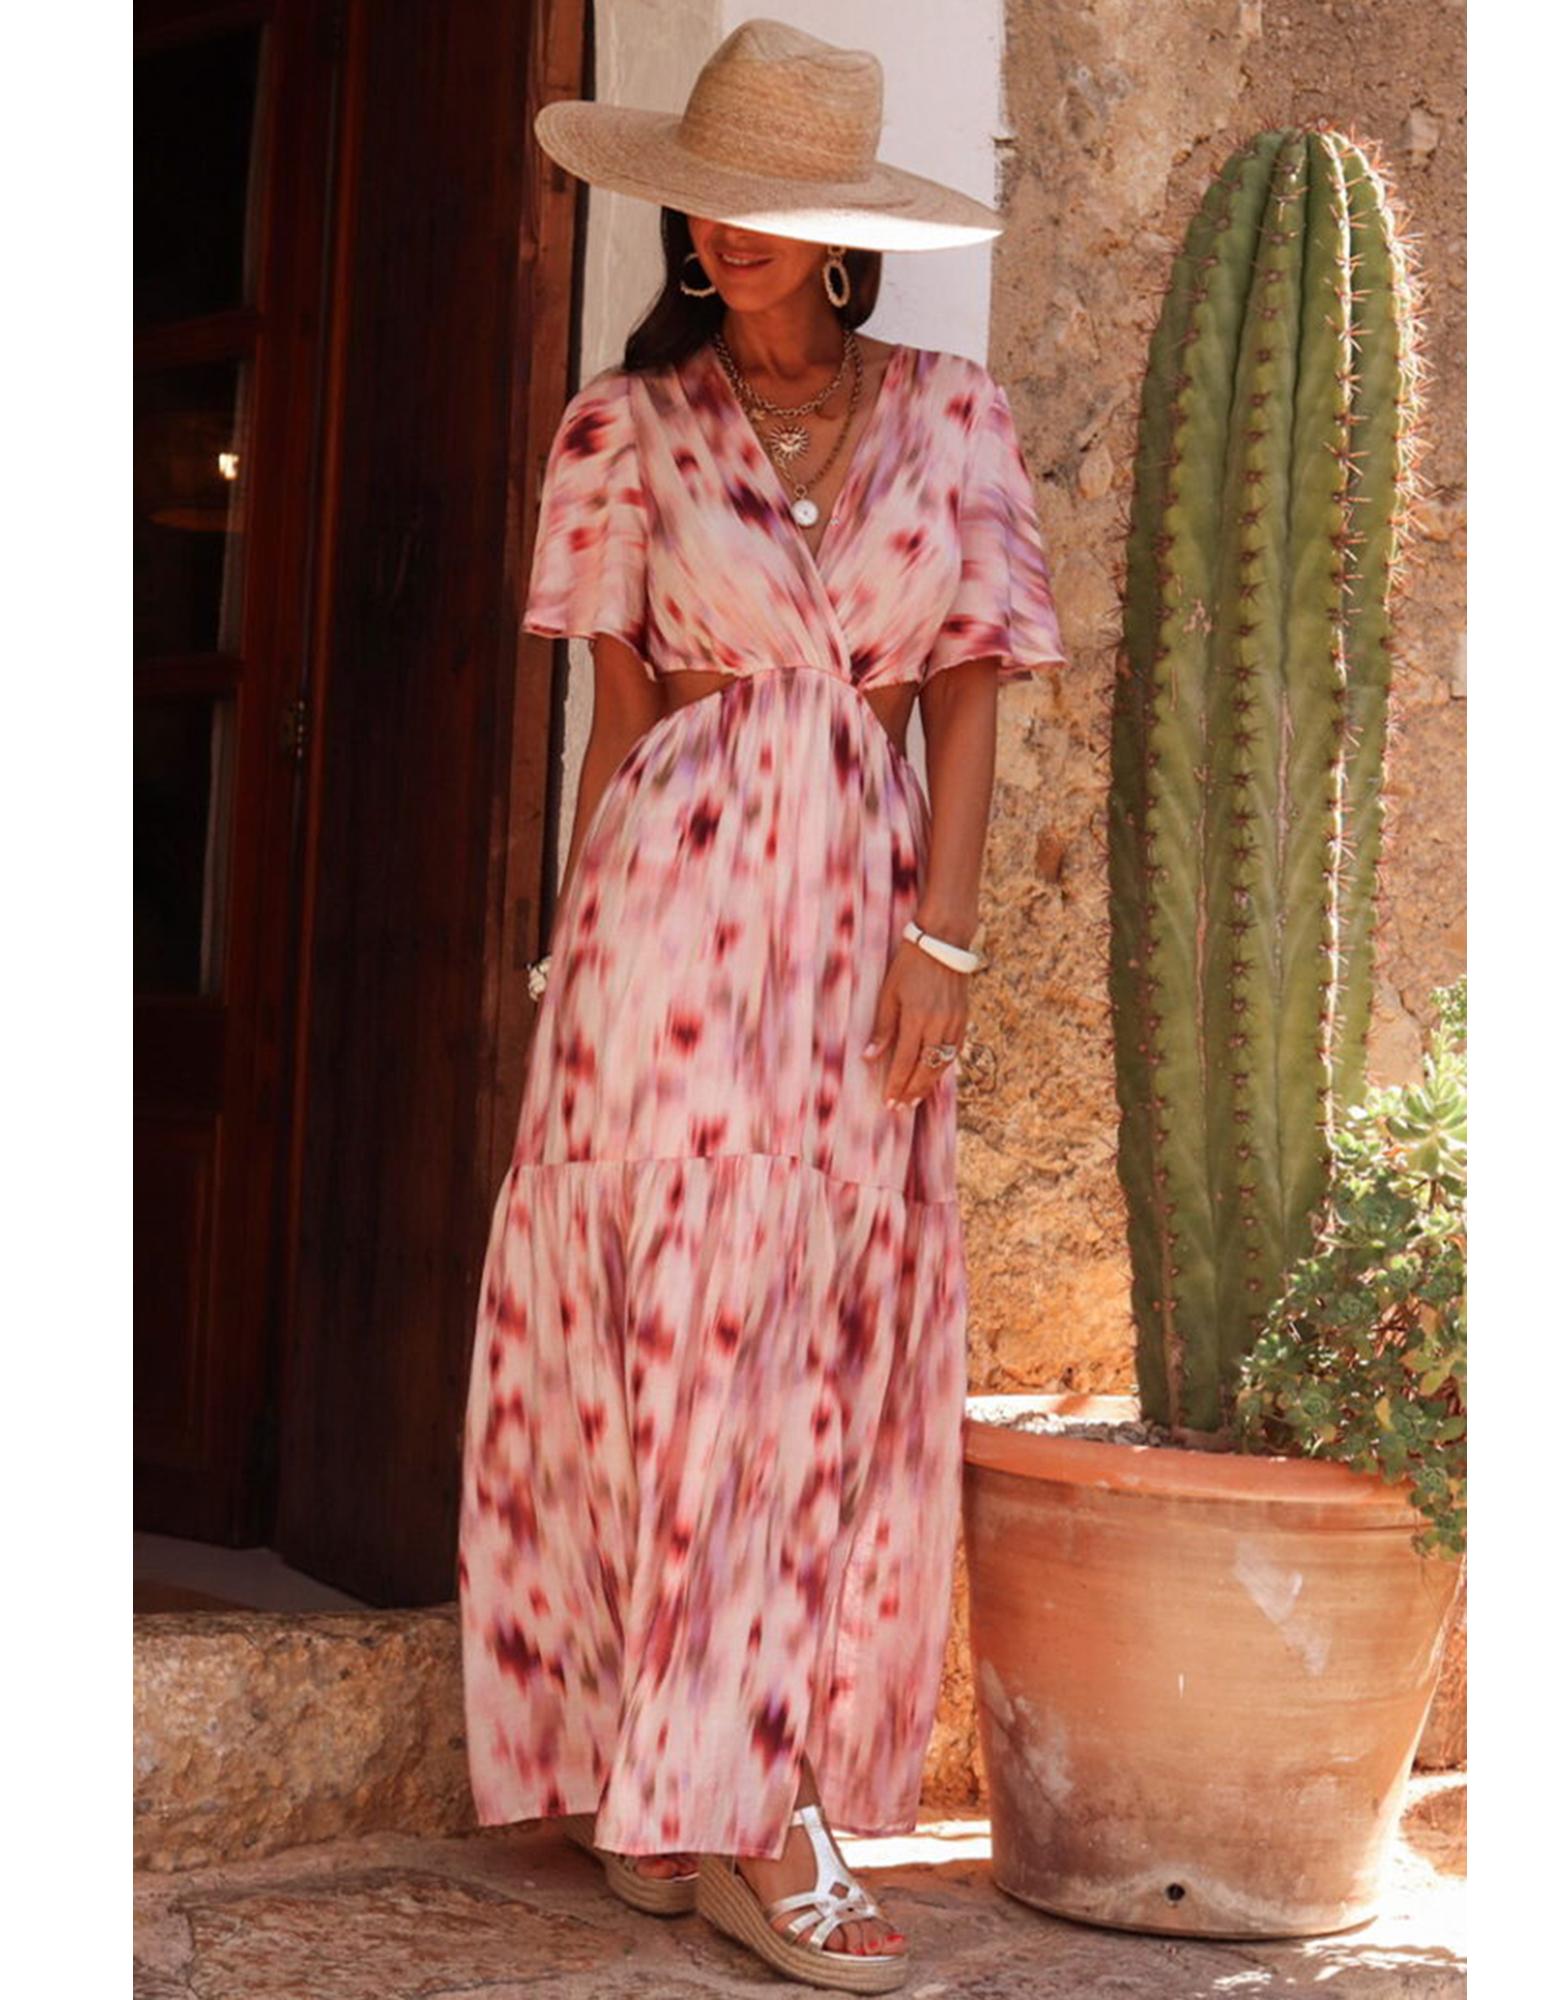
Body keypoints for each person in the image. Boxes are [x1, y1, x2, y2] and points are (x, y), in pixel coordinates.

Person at [456, 19, 1067, 1993]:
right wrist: (567, 962)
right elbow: (620, 715)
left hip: (862, 911)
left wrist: (943, 944)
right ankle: (698, 1802)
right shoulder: (624, 426)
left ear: (840, 232)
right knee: (668, 1337)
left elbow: (965, 689)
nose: (727, 231)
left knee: (815, 1346)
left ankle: (743, 1784)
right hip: (670, 920)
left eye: (773, 205)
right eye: (708, 197)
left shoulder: (951, 417)